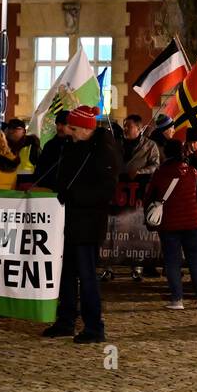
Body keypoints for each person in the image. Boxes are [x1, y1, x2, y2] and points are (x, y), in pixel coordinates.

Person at [42, 106, 121, 342]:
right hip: (68, 222)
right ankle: (66, 321)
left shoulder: (105, 151)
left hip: (88, 224)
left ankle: (94, 327)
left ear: (87, 129)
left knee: (87, 277)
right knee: (65, 275)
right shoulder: (74, 147)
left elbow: (106, 190)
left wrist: (73, 195)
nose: (69, 132)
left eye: (74, 128)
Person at [144, 138, 197, 310]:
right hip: (193, 224)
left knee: (172, 262)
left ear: (166, 153)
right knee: (196, 260)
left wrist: (149, 223)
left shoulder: (160, 173)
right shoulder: (192, 172)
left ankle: (177, 299)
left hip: (168, 226)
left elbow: (149, 198)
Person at [32, 112, 70, 188]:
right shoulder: (50, 145)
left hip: (67, 191)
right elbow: (40, 169)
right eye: (57, 124)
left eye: (63, 124)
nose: (59, 128)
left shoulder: (76, 146)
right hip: (47, 191)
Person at [120, 114, 161, 184]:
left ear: (138, 128)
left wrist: (140, 172)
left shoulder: (149, 145)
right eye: (124, 126)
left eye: (128, 126)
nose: (125, 129)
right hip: (119, 183)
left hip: (139, 184)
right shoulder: (118, 143)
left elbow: (155, 165)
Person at [5, 118, 41, 186]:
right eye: (9, 128)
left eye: (15, 128)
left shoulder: (32, 147)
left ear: (24, 131)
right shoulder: (3, 146)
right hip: (7, 185)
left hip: (25, 186)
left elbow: (40, 168)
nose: (11, 131)